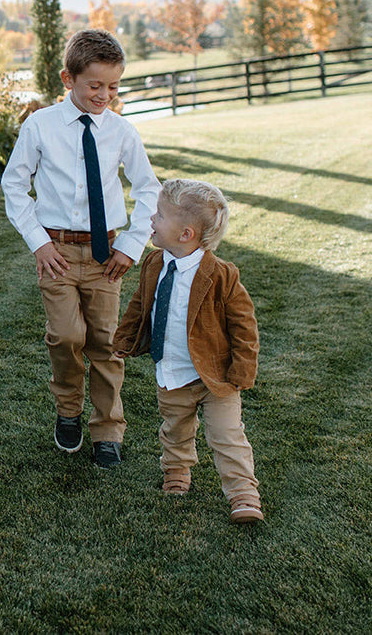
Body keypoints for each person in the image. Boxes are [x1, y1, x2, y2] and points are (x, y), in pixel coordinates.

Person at [1, 29, 161, 469]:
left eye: (113, 86)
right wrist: (38, 243)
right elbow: (14, 186)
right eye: (95, 85)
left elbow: (149, 190)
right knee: (67, 336)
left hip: (105, 254)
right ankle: (68, 409)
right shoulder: (40, 125)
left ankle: (108, 430)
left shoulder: (122, 132)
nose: (105, 95)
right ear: (67, 79)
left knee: (106, 343)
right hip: (56, 253)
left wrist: (130, 245)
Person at [113, 178, 264, 523]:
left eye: (161, 215)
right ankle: (177, 471)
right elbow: (141, 305)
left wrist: (242, 369)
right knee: (175, 428)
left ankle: (243, 493)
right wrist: (124, 338)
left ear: (186, 234)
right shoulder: (153, 265)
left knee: (227, 436)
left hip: (216, 378)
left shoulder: (222, 275)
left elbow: (244, 326)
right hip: (172, 371)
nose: (152, 219)